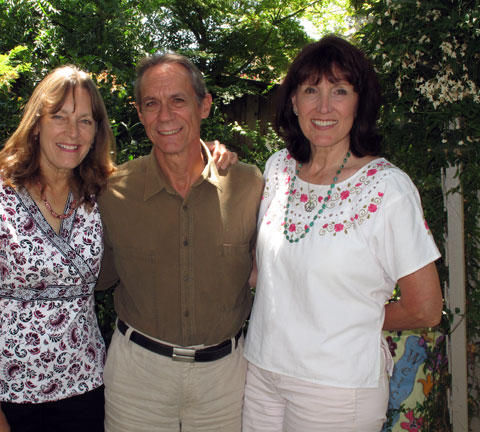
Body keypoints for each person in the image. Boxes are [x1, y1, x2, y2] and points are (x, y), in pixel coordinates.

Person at [242, 35, 443, 432]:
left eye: (340, 90)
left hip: (337, 388)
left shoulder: (388, 189)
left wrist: (352, 317)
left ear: (358, 102)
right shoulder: (278, 169)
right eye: (311, 90)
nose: (323, 106)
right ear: (294, 101)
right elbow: (260, 270)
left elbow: (426, 308)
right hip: (261, 371)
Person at [97, 52, 263, 431]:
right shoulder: (112, 191)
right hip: (137, 379)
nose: (165, 116)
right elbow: (90, 275)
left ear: (204, 105)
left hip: (224, 380)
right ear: (139, 113)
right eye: (152, 104)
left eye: (178, 100)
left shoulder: (250, 186)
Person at [0, 65, 115, 432]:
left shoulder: (101, 194)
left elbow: (161, 172)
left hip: (83, 386)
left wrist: (212, 155)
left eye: (85, 121)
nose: (72, 132)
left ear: (96, 131)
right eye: (59, 117)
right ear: (37, 122)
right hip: (5, 393)